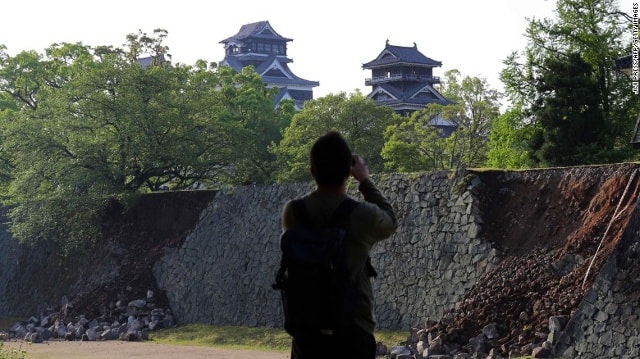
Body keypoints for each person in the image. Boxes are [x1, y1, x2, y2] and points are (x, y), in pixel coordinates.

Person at [280, 130, 398, 359]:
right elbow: (390, 220)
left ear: (312, 171)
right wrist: (364, 180)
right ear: (348, 172)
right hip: (353, 328)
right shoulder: (361, 215)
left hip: (307, 329)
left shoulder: (293, 212)